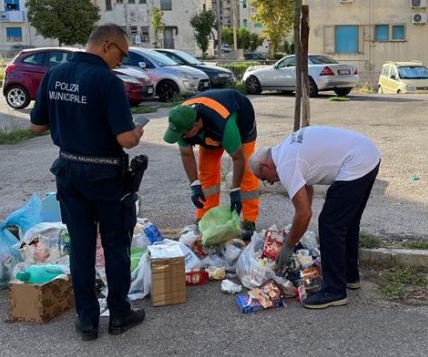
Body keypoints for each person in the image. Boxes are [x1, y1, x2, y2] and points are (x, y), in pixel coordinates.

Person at [30, 24, 145, 341]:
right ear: (108, 45)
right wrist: (136, 133)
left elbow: (36, 125)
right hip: (106, 176)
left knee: (80, 249)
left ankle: (87, 321)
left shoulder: (54, 74)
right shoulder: (107, 81)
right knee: (115, 245)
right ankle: (120, 314)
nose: (121, 62)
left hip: (69, 171)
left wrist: (71, 120)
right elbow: (126, 139)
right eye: (122, 54)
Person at [248, 125, 381, 309]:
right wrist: (298, 227)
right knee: (347, 222)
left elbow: (304, 214)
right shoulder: (286, 149)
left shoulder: (285, 164)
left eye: (264, 178)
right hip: (368, 154)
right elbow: (305, 193)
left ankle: (334, 291)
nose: (270, 182)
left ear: (265, 166)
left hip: (356, 163)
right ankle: (350, 276)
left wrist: (288, 245)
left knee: (330, 223)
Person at [163, 88, 259, 240]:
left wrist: (235, 191)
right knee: (206, 172)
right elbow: (186, 153)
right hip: (209, 131)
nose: (182, 138)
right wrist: (194, 185)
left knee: (246, 172)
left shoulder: (224, 125)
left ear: (195, 125)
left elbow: (238, 158)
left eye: (183, 135)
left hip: (241, 126)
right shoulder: (182, 121)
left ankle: (249, 220)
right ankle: (206, 217)